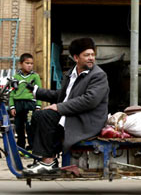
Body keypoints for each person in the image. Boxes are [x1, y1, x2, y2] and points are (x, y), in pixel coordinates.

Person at [23, 37, 109, 175]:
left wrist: (59, 107)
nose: (91, 58)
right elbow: (63, 95)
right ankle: (46, 158)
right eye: (87, 55)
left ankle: (48, 162)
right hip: (74, 114)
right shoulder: (71, 74)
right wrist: (36, 91)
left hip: (87, 119)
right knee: (37, 115)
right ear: (76, 58)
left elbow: (90, 100)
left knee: (46, 115)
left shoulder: (98, 75)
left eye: (92, 55)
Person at [10, 53, 42, 153]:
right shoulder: (15, 77)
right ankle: (21, 147)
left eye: (31, 64)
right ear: (21, 63)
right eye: (27, 63)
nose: (29, 65)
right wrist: (12, 107)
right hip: (18, 105)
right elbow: (11, 92)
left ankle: (32, 147)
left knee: (30, 126)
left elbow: (39, 92)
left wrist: (38, 106)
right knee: (19, 127)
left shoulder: (35, 76)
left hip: (30, 105)